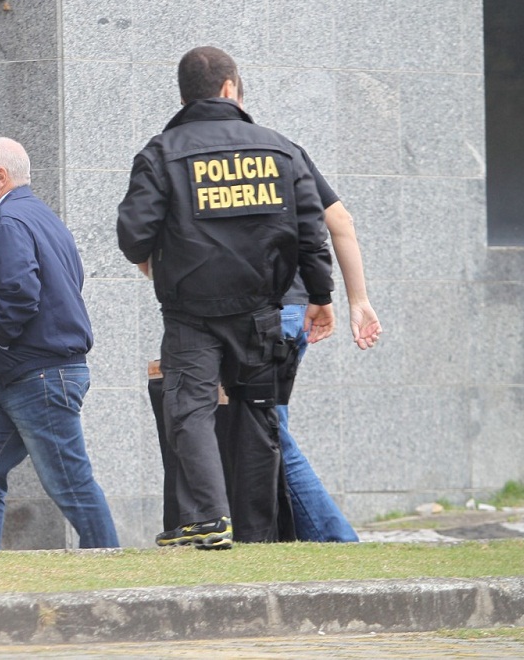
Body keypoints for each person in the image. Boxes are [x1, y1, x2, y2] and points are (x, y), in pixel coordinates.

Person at [117, 46, 336, 549]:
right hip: (263, 309)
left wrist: (156, 253)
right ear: (230, 89)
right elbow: (311, 232)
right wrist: (321, 295)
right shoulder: (280, 150)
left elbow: (133, 236)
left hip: (191, 312)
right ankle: (257, 535)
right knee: (258, 413)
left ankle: (208, 519)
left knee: (190, 409)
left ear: (184, 94)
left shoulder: (161, 153)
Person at [237, 78, 383, 542]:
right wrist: (358, 300)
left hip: (263, 313)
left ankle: (337, 540)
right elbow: (341, 220)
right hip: (297, 310)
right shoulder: (285, 151)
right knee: (270, 426)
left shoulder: (205, 160)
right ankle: (285, 538)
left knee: (269, 433)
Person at [0, 137, 119, 551]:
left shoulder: (9, 222)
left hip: (38, 375)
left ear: (0, 177)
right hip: (29, 375)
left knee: (72, 486)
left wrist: (0, 335)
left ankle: (114, 575)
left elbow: (19, 293)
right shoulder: (43, 217)